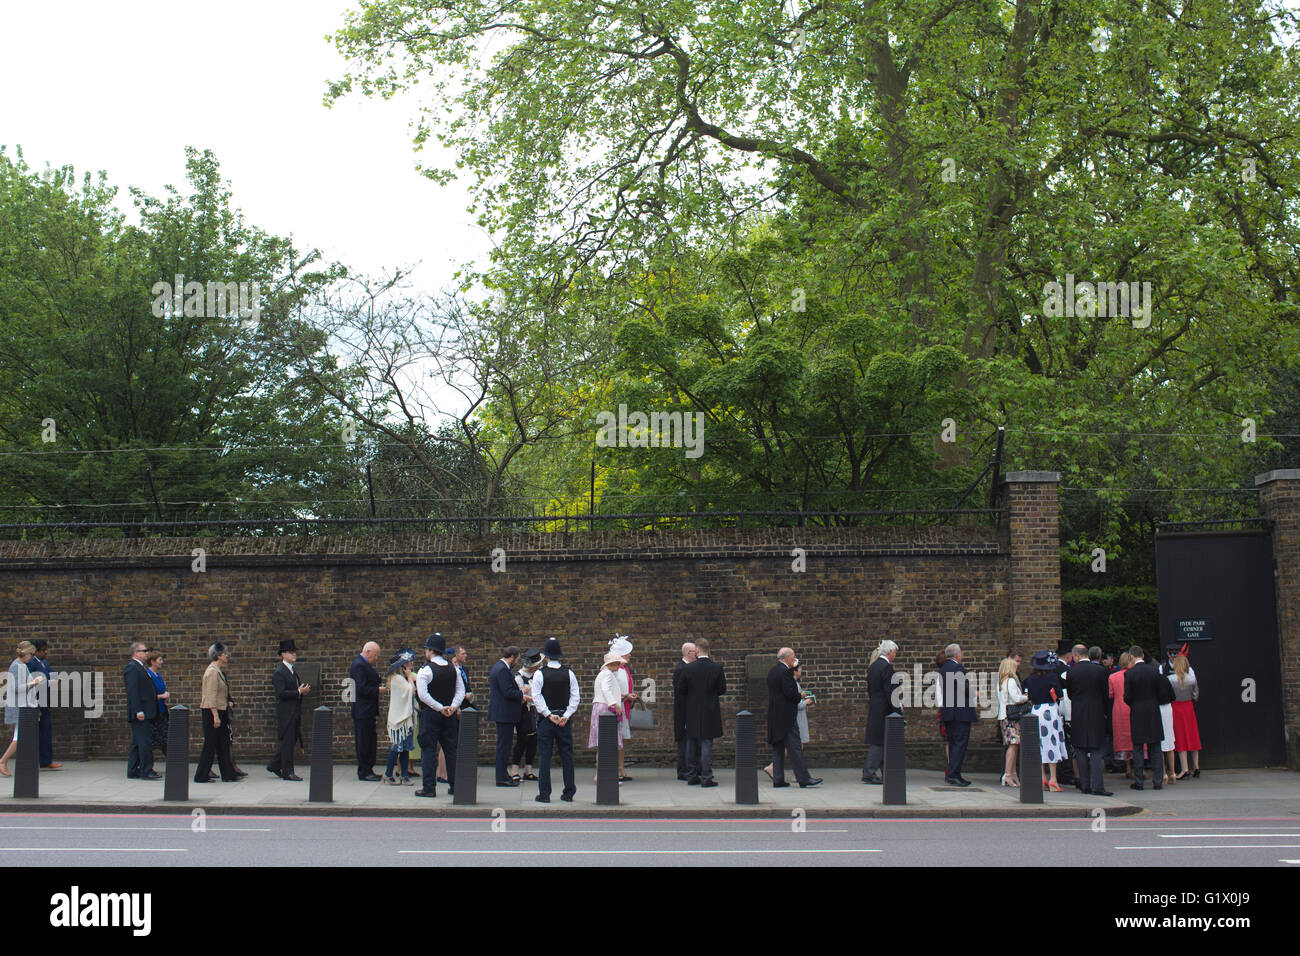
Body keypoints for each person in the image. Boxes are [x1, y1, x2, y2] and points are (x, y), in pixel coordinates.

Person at [531, 638, 580, 803]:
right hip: (564, 720)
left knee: (545, 756)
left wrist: (548, 715)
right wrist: (566, 715)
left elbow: (536, 697)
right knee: (567, 755)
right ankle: (569, 792)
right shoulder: (569, 673)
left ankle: (544, 794)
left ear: (545, 656)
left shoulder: (539, 673)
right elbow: (575, 697)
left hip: (547, 720)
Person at [414, 633, 462, 798]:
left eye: (426, 648)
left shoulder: (425, 670)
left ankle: (429, 788)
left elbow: (422, 695)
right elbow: (460, 691)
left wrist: (439, 708)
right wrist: (452, 707)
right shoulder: (454, 669)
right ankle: (455, 787)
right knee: (451, 751)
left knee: (428, 750)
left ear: (430, 650)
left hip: (430, 715)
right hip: (449, 715)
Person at [766, 647, 821, 788]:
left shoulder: (772, 671)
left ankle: (778, 779)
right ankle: (804, 778)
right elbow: (789, 694)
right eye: (793, 657)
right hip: (787, 717)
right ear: (787, 658)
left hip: (774, 715)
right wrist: (801, 696)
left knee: (778, 747)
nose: (794, 659)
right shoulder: (786, 672)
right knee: (795, 747)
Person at [1067, 646, 1113, 796]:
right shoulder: (1100, 671)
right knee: (1096, 750)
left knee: (1080, 750)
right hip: (1096, 713)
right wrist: (1105, 712)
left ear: (1076, 656)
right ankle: (1098, 786)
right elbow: (1106, 694)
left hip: (1078, 714)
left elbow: (1070, 694)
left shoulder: (1071, 672)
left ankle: (1085, 785)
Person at [680, 638, 726, 788]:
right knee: (706, 743)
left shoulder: (688, 668)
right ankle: (706, 777)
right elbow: (722, 689)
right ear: (708, 649)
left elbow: (682, 690)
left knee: (691, 742)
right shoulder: (717, 668)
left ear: (697, 651)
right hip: (710, 709)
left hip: (692, 709)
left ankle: (692, 776)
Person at [0, 641, 47, 777]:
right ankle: (3, 761)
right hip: (20, 706)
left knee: (21, 736)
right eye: (31, 654)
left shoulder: (21, 665)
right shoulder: (16, 666)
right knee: (19, 736)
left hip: (23, 706)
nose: (32, 658)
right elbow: (15, 688)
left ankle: (13, 762)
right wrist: (33, 682)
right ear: (25, 653)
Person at [195, 643, 240, 783]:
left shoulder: (218, 671)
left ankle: (228, 774)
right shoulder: (212, 672)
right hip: (212, 712)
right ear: (219, 655)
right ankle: (201, 775)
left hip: (220, 711)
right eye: (225, 654)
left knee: (223, 744)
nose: (227, 656)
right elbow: (210, 695)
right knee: (210, 744)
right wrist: (215, 716)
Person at [1123, 645, 1165, 791]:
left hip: (1137, 711)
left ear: (1132, 657)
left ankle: (1139, 781)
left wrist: (1135, 704)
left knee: (1138, 748)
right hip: (1153, 710)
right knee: (1155, 747)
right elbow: (1161, 692)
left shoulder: (1130, 674)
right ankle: (1158, 781)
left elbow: (1127, 697)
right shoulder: (1154, 671)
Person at [267, 639, 309, 781]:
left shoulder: (292, 671)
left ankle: (274, 764)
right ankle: (287, 771)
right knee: (288, 742)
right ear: (283, 654)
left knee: (290, 741)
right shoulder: (280, 672)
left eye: (294, 652)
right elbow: (281, 693)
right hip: (287, 712)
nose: (294, 654)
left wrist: (301, 691)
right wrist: (298, 691)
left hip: (294, 711)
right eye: (291, 652)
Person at [1024, 651, 1066, 791]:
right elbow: (1060, 696)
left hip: (1035, 711)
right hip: (1049, 711)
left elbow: (1028, 697)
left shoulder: (1029, 679)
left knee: (1040, 744)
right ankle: (1053, 778)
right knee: (1052, 743)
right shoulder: (1052, 677)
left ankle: (1042, 778)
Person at [937, 643, 977, 787]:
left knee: (954, 744)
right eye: (961, 653)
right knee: (960, 745)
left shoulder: (943, 669)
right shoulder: (957, 668)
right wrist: (973, 693)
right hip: (960, 713)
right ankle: (954, 774)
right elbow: (963, 687)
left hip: (948, 712)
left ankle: (952, 773)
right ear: (957, 655)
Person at [862, 640, 899, 784]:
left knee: (882, 741)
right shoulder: (887, 667)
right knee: (878, 742)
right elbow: (890, 691)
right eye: (895, 652)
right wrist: (897, 710)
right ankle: (869, 773)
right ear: (889, 652)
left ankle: (884, 772)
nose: (895, 655)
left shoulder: (873, 667)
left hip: (875, 706)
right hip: (885, 708)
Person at [589, 650, 627, 779]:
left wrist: (620, 697)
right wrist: (614, 704)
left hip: (600, 706)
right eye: (616, 664)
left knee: (603, 743)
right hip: (605, 708)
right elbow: (605, 689)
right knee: (607, 742)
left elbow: (606, 690)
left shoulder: (603, 674)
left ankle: (601, 773)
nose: (617, 666)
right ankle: (602, 774)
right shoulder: (607, 674)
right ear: (611, 664)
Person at [489, 646, 523, 787]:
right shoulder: (502, 669)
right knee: (504, 746)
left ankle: (503, 774)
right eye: (517, 659)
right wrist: (523, 695)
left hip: (503, 713)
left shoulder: (500, 667)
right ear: (511, 657)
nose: (517, 662)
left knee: (504, 746)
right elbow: (507, 692)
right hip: (504, 714)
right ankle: (501, 777)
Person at [350, 641, 383, 782]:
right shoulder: (359, 665)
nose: (376, 659)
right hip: (362, 711)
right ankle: (364, 771)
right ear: (368, 652)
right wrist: (377, 690)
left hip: (368, 711)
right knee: (363, 741)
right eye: (375, 655)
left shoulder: (363, 664)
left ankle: (368, 769)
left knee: (370, 740)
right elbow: (360, 689)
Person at [383, 650, 417, 784]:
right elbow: (411, 690)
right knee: (397, 747)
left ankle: (404, 775)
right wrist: (409, 677)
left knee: (405, 748)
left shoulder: (400, 678)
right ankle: (388, 774)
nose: (411, 664)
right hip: (399, 719)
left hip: (405, 718)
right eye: (408, 663)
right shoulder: (397, 679)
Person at [509, 649, 541, 782]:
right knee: (522, 741)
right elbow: (519, 697)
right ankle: (515, 770)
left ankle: (528, 770)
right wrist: (528, 695)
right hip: (524, 711)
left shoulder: (537, 676)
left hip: (535, 711)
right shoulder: (518, 677)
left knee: (533, 741)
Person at [609, 636, 637, 781]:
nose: (630, 654)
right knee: (616, 739)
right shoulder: (614, 669)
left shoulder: (623, 668)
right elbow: (610, 690)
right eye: (628, 652)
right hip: (617, 708)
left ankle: (620, 768)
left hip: (624, 707)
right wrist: (626, 696)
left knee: (622, 740)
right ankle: (614, 769)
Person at [1169, 653, 1201, 779]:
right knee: (1192, 736)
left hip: (1176, 708)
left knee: (1180, 737)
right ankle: (1196, 766)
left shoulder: (1171, 679)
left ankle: (1184, 769)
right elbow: (1195, 696)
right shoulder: (1192, 679)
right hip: (1188, 708)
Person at [29, 640, 61, 770]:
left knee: (46, 731)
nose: (46, 652)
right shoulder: (31, 663)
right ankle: (38, 760)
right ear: (36, 651)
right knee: (36, 732)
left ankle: (46, 760)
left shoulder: (44, 662)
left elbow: (51, 674)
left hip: (45, 701)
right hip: (37, 701)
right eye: (43, 650)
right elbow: (34, 681)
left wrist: (55, 679)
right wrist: (49, 682)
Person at [996, 656, 1027, 787]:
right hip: (1012, 718)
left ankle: (1012, 773)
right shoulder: (1011, 681)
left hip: (1004, 716)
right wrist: (1026, 697)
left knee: (1013, 745)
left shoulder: (1001, 682)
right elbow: (1016, 698)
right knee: (1013, 745)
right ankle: (1008, 774)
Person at [672, 642, 698, 780]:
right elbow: (681, 694)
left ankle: (688, 768)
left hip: (686, 712)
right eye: (695, 651)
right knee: (684, 742)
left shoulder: (686, 668)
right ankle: (683, 770)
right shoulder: (681, 669)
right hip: (684, 713)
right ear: (689, 653)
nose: (697, 654)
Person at [1108, 652, 1134, 777]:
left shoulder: (1113, 677)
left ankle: (1128, 767)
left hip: (1119, 709)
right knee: (1136, 738)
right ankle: (1139, 768)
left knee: (1124, 739)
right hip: (1133, 707)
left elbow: (1110, 694)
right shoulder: (1134, 674)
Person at [145, 650, 170, 758]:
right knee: (152, 740)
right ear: (152, 661)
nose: (162, 662)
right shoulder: (147, 675)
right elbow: (145, 696)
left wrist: (166, 695)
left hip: (162, 711)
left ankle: (173, 763)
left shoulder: (158, 675)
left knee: (166, 738)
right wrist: (161, 696)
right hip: (152, 713)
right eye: (159, 660)